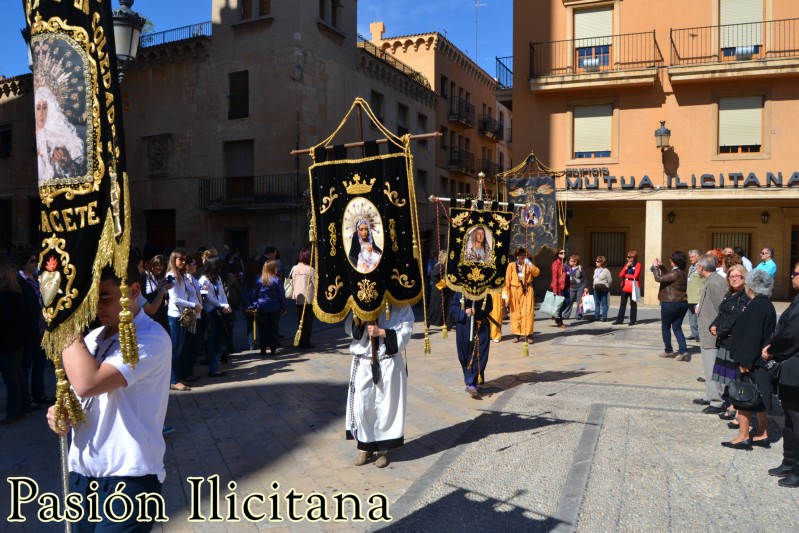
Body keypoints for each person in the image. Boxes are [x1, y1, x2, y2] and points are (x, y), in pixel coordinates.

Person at [45, 262, 171, 530]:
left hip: (129, 478)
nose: (96, 307)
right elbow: (83, 398)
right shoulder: (91, 339)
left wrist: (63, 320)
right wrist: (64, 414)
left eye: (105, 297)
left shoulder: (151, 338)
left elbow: (88, 382)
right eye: (91, 299)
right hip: (82, 473)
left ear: (134, 290)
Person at [345, 304, 413, 468]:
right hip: (363, 361)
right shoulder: (359, 305)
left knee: (385, 407)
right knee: (362, 406)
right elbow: (349, 329)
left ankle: (383, 450)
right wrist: (360, 322)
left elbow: (406, 331)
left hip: (388, 361)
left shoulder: (401, 306)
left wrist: (382, 333)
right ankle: (364, 446)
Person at [723, 269, 776, 450]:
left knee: (744, 396)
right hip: (760, 361)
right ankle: (762, 433)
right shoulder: (766, 304)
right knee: (760, 397)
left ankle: (743, 436)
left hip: (752, 361)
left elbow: (752, 336)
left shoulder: (756, 306)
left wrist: (745, 362)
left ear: (751, 286)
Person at [761, 264, 799, 486]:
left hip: (795, 366)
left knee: (796, 418)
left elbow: (792, 335)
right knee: (789, 417)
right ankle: (789, 460)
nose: (791, 276)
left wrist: (773, 349)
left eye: (794, 273)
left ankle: (797, 467)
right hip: (789, 365)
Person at [709, 264, 750, 425]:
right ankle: (733, 405)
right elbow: (721, 313)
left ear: (744, 278)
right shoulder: (729, 294)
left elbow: (736, 318)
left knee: (737, 377)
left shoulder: (745, 296)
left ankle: (740, 412)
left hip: (735, 342)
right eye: (731, 275)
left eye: (737, 276)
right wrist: (713, 325)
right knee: (729, 378)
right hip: (725, 342)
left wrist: (720, 330)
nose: (733, 278)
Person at [16, 248, 51, 406]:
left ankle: (39, 395)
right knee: (26, 365)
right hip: (28, 329)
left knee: (40, 363)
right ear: (23, 263)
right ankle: (25, 399)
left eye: (36, 260)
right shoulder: (19, 280)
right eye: (32, 260)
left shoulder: (38, 278)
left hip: (41, 327)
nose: (35, 263)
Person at [695, 254, 728, 410]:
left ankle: (717, 400)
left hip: (713, 335)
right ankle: (710, 396)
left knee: (714, 367)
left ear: (702, 267)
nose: (696, 268)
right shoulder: (710, 280)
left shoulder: (716, 282)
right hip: (707, 333)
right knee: (708, 367)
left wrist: (718, 329)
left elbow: (722, 310)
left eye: (697, 266)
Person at [34, 86, 86, 184]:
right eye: (38, 108)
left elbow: (79, 169)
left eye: (44, 107)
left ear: (51, 108)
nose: (40, 113)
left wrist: (67, 162)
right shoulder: (38, 138)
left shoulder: (66, 136)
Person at [166, 249, 200, 392]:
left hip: (183, 315)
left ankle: (177, 376)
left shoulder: (180, 275)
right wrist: (193, 305)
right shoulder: (170, 276)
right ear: (174, 259)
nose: (184, 262)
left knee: (180, 349)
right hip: (175, 316)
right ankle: (173, 379)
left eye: (185, 259)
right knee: (176, 349)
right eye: (181, 259)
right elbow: (174, 299)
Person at [451, 292, 494, 397]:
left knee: (478, 355)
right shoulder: (459, 293)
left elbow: (489, 307)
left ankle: (473, 383)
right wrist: (464, 311)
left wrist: (477, 312)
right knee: (463, 356)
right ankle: (469, 379)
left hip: (480, 327)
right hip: (463, 327)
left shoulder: (485, 294)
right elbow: (453, 308)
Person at [0, 261, 27, 424]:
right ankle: (24, 407)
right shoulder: (16, 293)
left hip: (8, 342)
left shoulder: (5, 296)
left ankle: (14, 412)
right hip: (17, 340)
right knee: (17, 374)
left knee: (11, 376)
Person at [652, 251, 689, 359]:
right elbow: (668, 276)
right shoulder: (682, 272)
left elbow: (658, 278)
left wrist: (655, 268)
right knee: (677, 327)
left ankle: (669, 350)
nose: (670, 260)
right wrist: (661, 266)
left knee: (666, 327)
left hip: (670, 303)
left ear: (675, 261)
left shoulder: (675, 273)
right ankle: (684, 351)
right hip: (682, 302)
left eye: (671, 259)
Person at [199, 257, 231, 377]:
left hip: (219, 311)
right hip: (210, 312)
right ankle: (213, 368)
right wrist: (222, 305)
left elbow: (222, 293)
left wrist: (226, 304)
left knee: (219, 339)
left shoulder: (217, 278)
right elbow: (208, 298)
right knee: (213, 340)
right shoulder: (203, 280)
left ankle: (216, 366)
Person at [504, 247, 540, 343]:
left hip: (527, 290)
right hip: (514, 290)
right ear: (517, 256)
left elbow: (537, 273)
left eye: (525, 255)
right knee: (515, 312)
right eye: (521, 255)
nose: (523, 256)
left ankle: (528, 335)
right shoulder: (511, 265)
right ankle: (516, 334)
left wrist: (530, 264)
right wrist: (506, 297)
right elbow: (507, 281)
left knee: (527, 312)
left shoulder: (528, 265)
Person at [253, 260, 288, 356]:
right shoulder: (277, 280)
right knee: (273, 328)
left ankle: (263, 349)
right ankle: (273, 349)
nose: (277, 269)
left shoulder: (259, 279)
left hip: (262, 306)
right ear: (272, 269)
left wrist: (255, 304)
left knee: (262, 328)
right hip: (274, 306)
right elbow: (281, 294)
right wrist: (284, 306)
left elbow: (254, 294)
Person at [289, 248, 315, 349]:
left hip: (297, 298)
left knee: (300, 320)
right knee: (307, 322)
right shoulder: (310, 269)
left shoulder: (294, 268)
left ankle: (299, 339)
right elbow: (315, 284)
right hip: (308, 299)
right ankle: (306, 342)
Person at [427, 250, 454, 330]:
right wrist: (441, 284)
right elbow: (433, 276)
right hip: (438, 291)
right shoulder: (440, 266)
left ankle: (447, 324)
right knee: (435, 308)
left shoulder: (446, 266)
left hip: (446, 291)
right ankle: (428, 322)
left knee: (447, 307)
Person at [614, 250, 641, 326]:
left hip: (633, 286)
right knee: (623, 303)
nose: (627, 258)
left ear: (633, 258)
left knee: (633, 303)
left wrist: (626, 276)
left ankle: (633, 320)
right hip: (625, 286)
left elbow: (635, 276)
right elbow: (620, 274)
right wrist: (626, 266)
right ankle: (619, 320)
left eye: (629, 257)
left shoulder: (638, 265)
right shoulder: (627, 265)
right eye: (627, 257)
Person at [685, 249, 703, 341]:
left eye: (692, 257)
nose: (690, 259)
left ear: (698, 257)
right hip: (690, 296)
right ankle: (693, 333)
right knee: (691, 317)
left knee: (698, 317)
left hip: (698, 296)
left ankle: (700, 335)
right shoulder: (691, 267)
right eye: (689, 257)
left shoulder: (701, 267)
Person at [562, 254, 585, 320]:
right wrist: (563, 258)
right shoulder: (568, 268)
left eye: (571, 261)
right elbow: (562, 265)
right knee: (569, 300)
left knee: (579, 301)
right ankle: (566, 315)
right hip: (571, 286)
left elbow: (585, 278)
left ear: (575, 262)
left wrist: (586, 287)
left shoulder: (580, 268)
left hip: (580, 286)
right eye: (569, 260)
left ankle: (578, 315)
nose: (569, 261)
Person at [550, 248, 569, 328]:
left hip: (564, 286)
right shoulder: (556, 263)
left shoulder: (562, 263)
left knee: (568, 301)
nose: (563, 254)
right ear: (557, 254)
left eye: (564, 252)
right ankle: (559, 321)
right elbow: (554, 277)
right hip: (558, 287)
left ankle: (555, 315)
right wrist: (554, 289)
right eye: (561, 253)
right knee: (560, 304)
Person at [592, 256, 612, 322]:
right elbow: (594, 279)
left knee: (604, 303)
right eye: (596, 261)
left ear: (602, 262)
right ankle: (596, 317)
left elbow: (610, 280)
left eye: (597, 261)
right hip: (596, 288)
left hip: (603, 288)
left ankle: (604, 317)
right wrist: (593, 286)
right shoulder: (595, 270)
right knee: (597, 303)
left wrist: (607, 286)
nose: (596, 262)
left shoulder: (606, 271)